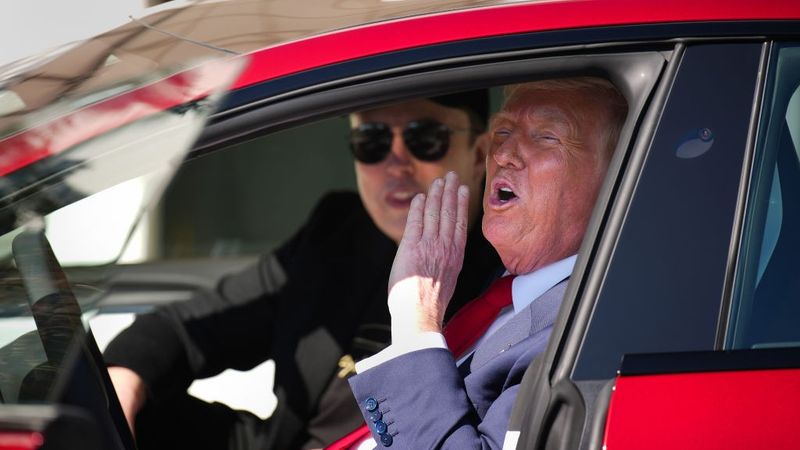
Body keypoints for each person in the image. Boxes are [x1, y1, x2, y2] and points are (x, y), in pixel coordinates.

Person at [103, 91, 503, 450]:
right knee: (94, 406)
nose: (395, 162)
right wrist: (122, 380)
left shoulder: (508, 273)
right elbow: (187, 328)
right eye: (372, 140)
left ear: (479, 153)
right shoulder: (337, 232)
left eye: (424, 137)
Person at [346, 77, 628, 449]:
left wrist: (415, 322)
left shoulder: (588, 330)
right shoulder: (495, 287)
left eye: (545, 136)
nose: (503, 155)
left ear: (616, 176)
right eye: (503, 131)